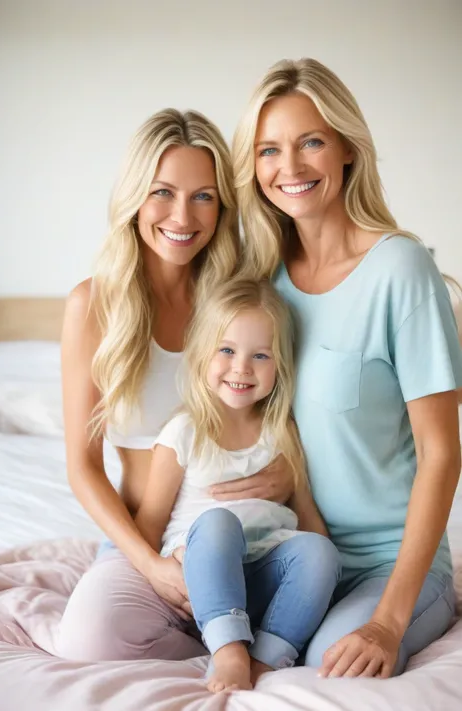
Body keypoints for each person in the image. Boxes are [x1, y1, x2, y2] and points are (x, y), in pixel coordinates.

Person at [232, 57, 462, 678]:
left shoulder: (401, 270)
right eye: (269, 150)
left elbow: (442, 454)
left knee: (323, 665)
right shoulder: (262, 281)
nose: (291, 168)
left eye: (312, 142)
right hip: (294, 551)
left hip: (389, 562)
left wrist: (388, 621)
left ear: (346, 150)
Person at [57, 109, 295, 661]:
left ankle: (233, 643)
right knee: (86, 640)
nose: (182, 216)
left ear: (223, 206)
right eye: (163, 192)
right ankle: (217, 647)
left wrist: (287, 469)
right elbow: (82, 466)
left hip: (252, 538)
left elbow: (282, 410)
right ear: (135, 196)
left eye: (204, 196)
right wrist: (150, 566)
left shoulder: (240, 299)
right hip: (150, 541)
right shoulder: (93, 306)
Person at [134, 278, 341, 692]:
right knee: (218, 524)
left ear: (280, 365)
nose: (241, 368)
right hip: (200, 578)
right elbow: (149, 523)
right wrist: (161, 571)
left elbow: (309, 518)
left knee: (319, 549)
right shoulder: (183, 432)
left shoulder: (282, 433)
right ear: (202, 354)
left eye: (260, 355)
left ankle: (265, 658)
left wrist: (325, 572)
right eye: (227, 350)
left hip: (264, 581)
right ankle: (228, 650)